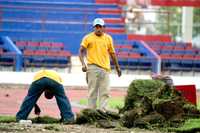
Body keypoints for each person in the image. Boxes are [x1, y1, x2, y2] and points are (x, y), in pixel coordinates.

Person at [79, 18, 122, 111]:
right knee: (92, 91)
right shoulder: (88, 38)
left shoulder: (108, 38)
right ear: (94, 27)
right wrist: (83, 64)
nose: (98, 28)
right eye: (96, 27)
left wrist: (117, 67)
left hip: (105, 69)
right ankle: (91, 112)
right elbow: (81, 51)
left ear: (104, 28)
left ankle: (103, 111)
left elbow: (112, 53)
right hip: (92, 67)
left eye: (100, 27)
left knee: (105, 92)